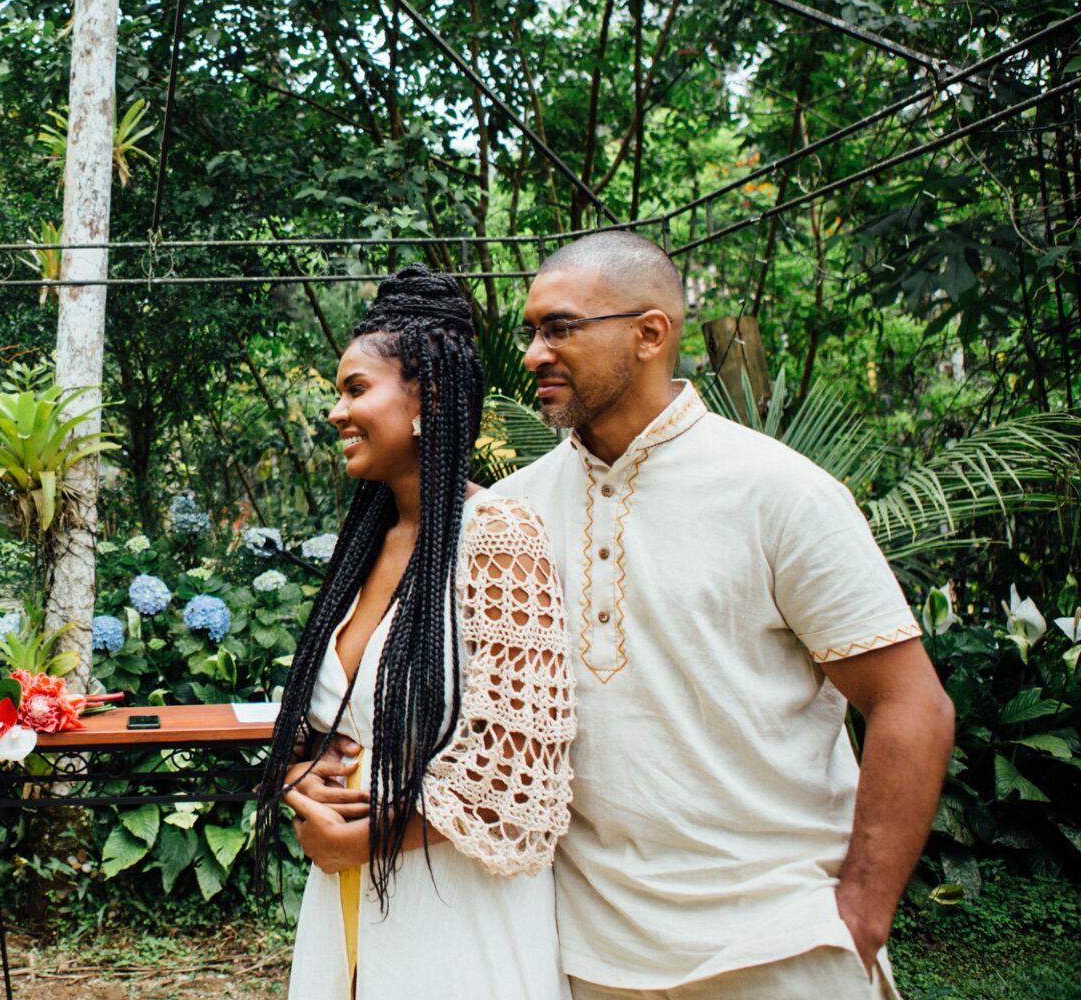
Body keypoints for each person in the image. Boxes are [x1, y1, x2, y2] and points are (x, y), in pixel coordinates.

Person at [490, 231, 955, 999]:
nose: (535, 352)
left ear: (650, 334)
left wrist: (859, 920)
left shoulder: (779, 493)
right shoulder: (512, 514)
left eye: (561, 327)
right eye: (531, 331)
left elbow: (913, 705)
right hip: (580, 954)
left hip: (777, 948)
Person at [259, 266, 575, 1000]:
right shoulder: (370, 540)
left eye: (356, 389)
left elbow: (518, 774)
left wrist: (361, 838)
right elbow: (336, 717)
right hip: (350, 896)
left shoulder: (497, 538)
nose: (336, 412)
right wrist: (303, 770)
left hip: (451, 911)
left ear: (427, 398)